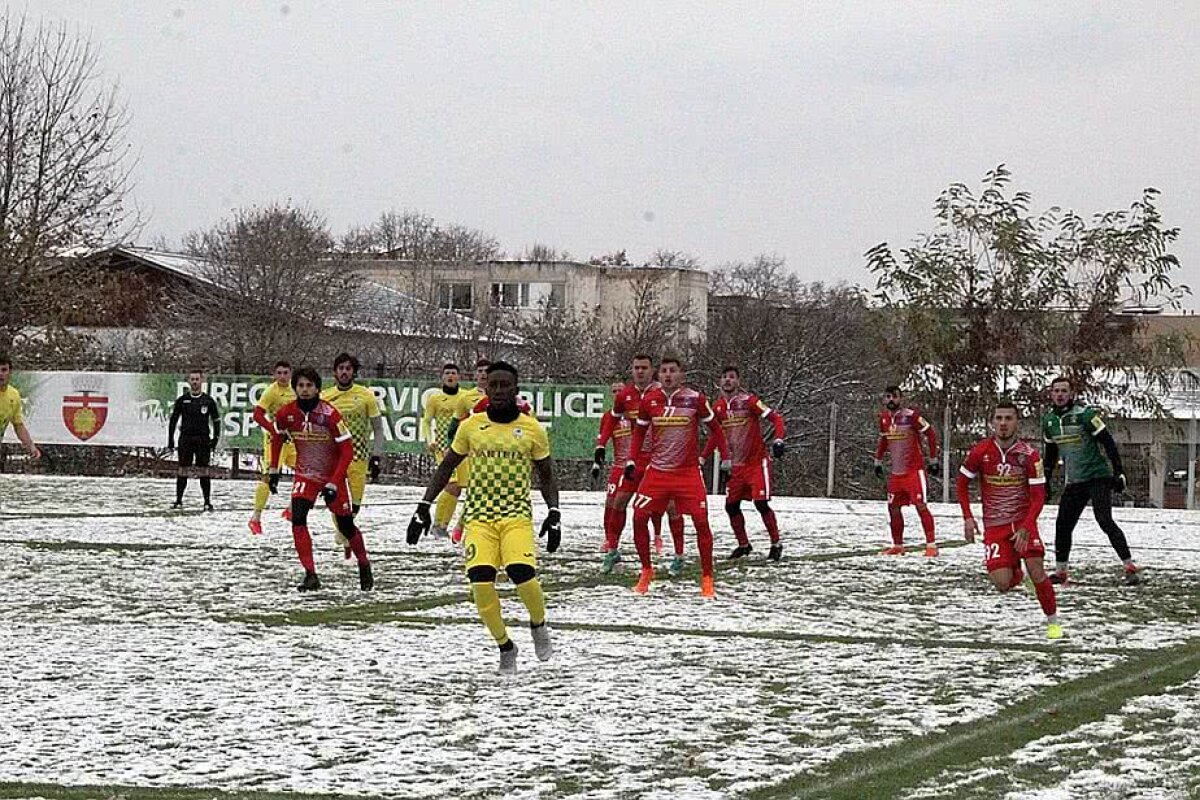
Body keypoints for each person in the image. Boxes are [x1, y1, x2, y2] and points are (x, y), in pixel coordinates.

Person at [406, 361, 560, 674]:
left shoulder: (532, 429)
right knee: (480, 582)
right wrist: (424, 505)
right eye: (494, 385)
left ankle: (538, 623)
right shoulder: (471, 426)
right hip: (479, 517)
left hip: (516, 515)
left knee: (521, 572)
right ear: (486, 388)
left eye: (506, 385)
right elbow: (446, 466)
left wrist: (554, 512)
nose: (499, 390)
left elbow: (546, 475)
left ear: (516, 389)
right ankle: (506, 646)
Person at [625, 357, 730, 597]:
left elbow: (716, 428)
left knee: (701, 522)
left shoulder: (695, 399)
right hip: (657, 472)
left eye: (672, 371)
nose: (668, 375)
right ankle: (646, 570)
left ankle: (707, 578)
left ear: (682, 375)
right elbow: (639, 433)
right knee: (639, 516)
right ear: (658, 375)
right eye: (664, 371)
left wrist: (725, 457)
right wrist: (632, 459)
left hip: (687, 473)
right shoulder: (650, 400)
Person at [958, 401, 1062, 640]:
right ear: (992, 422)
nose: (1003, 423)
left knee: (1037, 571)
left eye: (1008, 418)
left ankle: (1053, 623)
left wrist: (1027, 526)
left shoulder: (1029, 455)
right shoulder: (980, 452)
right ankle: (1017, 571)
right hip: (995, 525)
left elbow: (1038, 497)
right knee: (1002, 584)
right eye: (999, 418)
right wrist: (967, 517)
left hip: (1023, 522)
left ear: (1017, 423)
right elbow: (962, 484)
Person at [266, 366, 372, 592]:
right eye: (300, 386)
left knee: (345, 525)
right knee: (298, 519)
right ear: (295, 388)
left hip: (332, 475)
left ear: (317, 389)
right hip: (306, 475)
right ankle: (310, 574)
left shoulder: (329, 414)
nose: (304, 390)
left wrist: (334, 481)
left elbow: (347, 451)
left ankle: (364, 563)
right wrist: (273, 469)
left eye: (309, 386)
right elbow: (277, 437)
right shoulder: (287, 413)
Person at [1041, 376, 1141, 586]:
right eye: (1056, 391)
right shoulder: (1049, 421)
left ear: (1071, 394)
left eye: (1064, 391)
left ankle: (1129, 566)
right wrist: (1045, 481)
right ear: (1051, 394)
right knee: (1063, 525)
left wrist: (1119, 471)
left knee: (1104, 520)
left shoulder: (1085, 415)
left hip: (1097, 477)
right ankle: (1060, 572)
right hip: (1075, 481)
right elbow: (1050, 455)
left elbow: (1108, 442)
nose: (1060, 395)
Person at [593, 355, 679, 575]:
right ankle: (613, 550)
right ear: (632, 370)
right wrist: (601, 445)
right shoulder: (626, 395)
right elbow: (612, 419)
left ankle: (678, 555)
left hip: (660, 459)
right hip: (636, 460)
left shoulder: (662, 393)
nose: (640, 371)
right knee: (618, 502)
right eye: (636, 368)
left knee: (671, 507)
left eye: (644, 368)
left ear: (652, 370)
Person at [703, 366, 787, 561]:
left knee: (761, 503)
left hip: (756, 463)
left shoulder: (750, 401)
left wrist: (779, 439)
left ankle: (776, 543)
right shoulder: (718, 407)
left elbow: (776, 418)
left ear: (738, 381)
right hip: (736, 467)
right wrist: (703, 456)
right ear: (719, 381)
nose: (727, 380)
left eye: (732, 377)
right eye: (724, 377)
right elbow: (716, 435)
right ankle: (744, 545)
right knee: (731, 506)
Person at [321, 353, 386, 556]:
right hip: (334, 458)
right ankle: (345, 535)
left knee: (354, 505)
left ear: (354, 372)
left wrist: (376, 456)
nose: (344, 372)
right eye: (341, 368)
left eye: (348, 369)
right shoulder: (325, 397)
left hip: (359, 456)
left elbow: (378, 429)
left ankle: (345, 533)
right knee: (335, 500)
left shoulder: (366, 395)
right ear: (335, 372)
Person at [873, 385, 940, 556]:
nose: (891, 400)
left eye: (894, 396)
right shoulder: (884, 419)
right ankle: (898, 545)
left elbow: (930, 434)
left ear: (900, 398)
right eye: (888, 397)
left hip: (913, 472)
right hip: (896, 474)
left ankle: (931, 546)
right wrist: (878, 461)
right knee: (893, 508)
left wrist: (933, 459)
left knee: (920, 505)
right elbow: (883, 440)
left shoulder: (911, 416)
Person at [248, 361, 297, 535]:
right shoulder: (271, 391)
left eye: (285, 372)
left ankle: (291, 509)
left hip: (293, 440)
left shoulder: (296, 388)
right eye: (279, 373)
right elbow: (257, 414)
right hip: (275, 441)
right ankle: (255, 518)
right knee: (268, 476)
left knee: (305, 472)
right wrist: (273, 430)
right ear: (275, 375)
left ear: (291, 373)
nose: (282, 376)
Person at [167, 369, 220, 510]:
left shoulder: (208, 401)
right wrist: (170, 439)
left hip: (202, 440)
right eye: (192, 379)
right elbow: (173, 420)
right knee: (183, 470)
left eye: (197, 379)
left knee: (204, 470)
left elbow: (216, 420)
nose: (195, 382)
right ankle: (178, 500)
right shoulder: (182, 400)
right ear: (188, 381)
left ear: (202, 381)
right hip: (186, 439)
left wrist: (215, 438)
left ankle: (207, 502)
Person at [420, 362, 462, 535]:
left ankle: (445, 525)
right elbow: (426, 421)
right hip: (443, 448)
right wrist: (429, 440)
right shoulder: (435, 399)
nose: (450, 376)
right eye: (447, 373)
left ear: (458, 377)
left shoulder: (464, 397)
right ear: (442, 377)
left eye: (453, 373)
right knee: (452, 484)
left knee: (458, 487)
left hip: (461, 448)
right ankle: (439, 525)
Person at [0, 355, 41, 462]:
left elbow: (18, 425)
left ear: (10, 372)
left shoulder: (14, 395)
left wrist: (31, 446)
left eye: (4, 370)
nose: (0, 374)